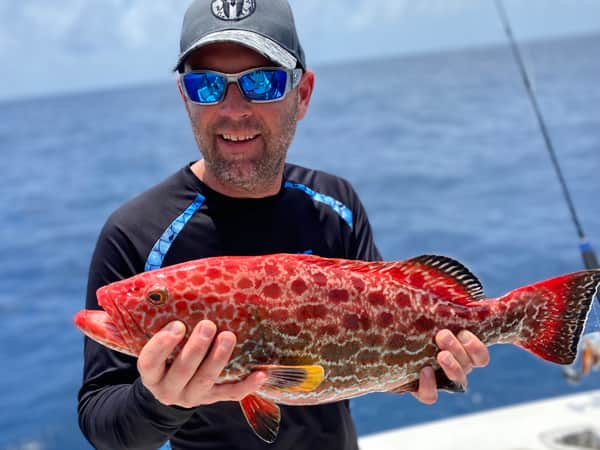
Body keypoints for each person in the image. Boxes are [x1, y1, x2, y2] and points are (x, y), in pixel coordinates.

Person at [77, 0, 490, 449]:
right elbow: (104, 426)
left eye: (263, 82)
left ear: (303, 94)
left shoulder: (338, 204)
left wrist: (421, 371)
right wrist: (161, 399)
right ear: (185, 98)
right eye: (206, 85)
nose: (234, 109)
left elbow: (373, 348)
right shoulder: (134, 232)